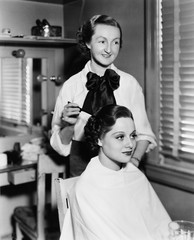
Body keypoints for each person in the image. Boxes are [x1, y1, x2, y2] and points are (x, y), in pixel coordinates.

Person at [50, 14, 157, 177]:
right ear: (87, 42)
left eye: (115, 42)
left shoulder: (129, 84)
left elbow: (144, 134)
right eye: (102, 41)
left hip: (124, 170)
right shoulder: (71, 86)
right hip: (82, 173)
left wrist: (133, 163)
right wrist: (70, 125)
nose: (109, 49)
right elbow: (61, 147)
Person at [60, 105, 171, 240]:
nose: (130, 144)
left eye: (133, 136)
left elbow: (161, 226)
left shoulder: (135, 175)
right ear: (98, 139)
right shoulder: (87, 188)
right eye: (120, 137)